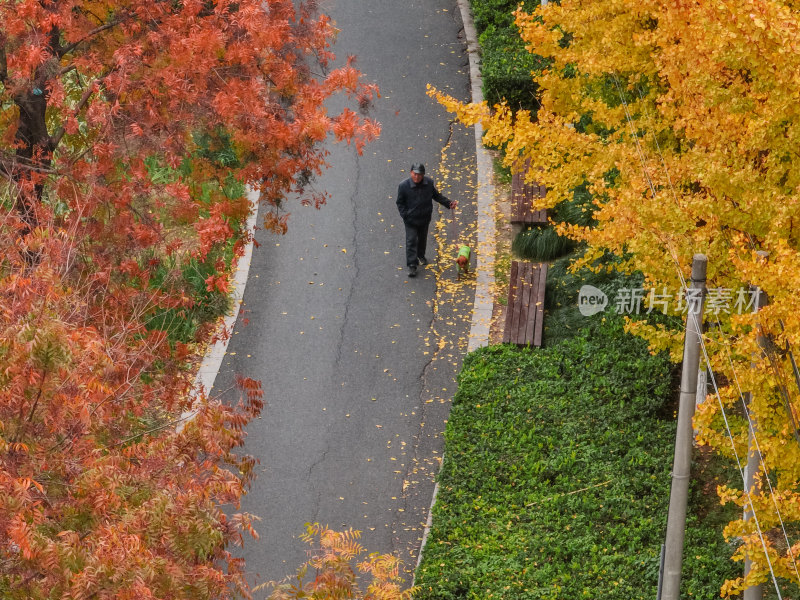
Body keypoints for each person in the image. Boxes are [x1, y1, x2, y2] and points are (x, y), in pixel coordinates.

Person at [395, 162, 457, 277]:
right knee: (411, 240)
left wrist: (449, 203)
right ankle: (412, 265)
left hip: (424, 218)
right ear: (411, 173)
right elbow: (400, 203)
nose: (417, 177)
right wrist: (405, 215)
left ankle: (421, 255)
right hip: (410, 220)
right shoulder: (403, 186)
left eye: (419, 174)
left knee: (422, 239)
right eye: (414, 174)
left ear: (423, 175)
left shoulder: (428, 184)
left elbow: (437, 196)